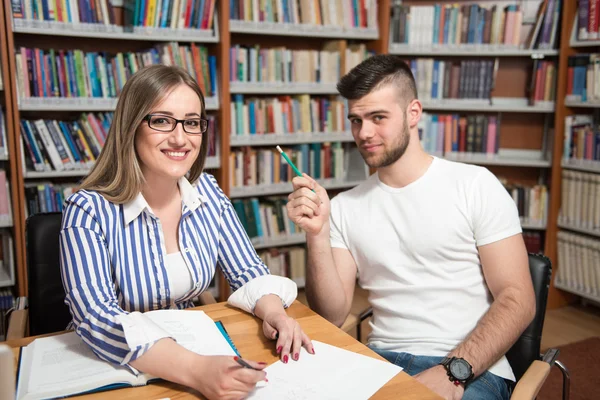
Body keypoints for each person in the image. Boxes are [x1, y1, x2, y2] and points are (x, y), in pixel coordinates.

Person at [285, 54, 536, 400]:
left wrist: (452, 372)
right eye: (356, 120)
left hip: (471, 367)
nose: (364, 133)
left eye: (378, 117)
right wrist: (316, 235)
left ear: (413, 113)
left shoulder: (475, 185)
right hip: (380, 362)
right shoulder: (343, 207)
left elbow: (519, 299)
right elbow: (331, 313)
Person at [59, 64, 313, 400]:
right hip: (118, 367)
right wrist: (196, 370)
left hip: (196, 344)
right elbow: (97, 318)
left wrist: (275, 314)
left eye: (191, 123)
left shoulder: (206, 189)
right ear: (131, 126)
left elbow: (247, 271)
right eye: (162, 121)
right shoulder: (87, 210)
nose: (180, 138)